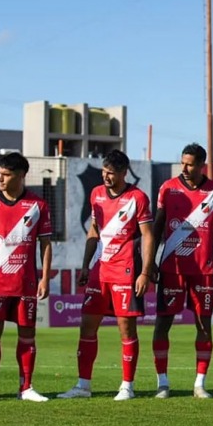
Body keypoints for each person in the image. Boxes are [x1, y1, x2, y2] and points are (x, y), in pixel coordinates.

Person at [57, 150, 154, 401]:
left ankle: (127, 386)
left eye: (111, 172)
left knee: (126, 328)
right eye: (104, 171)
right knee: (87, 326)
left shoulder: (138, 198)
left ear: (124, 173)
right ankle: (83, 386)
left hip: (126, 270)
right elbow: (94, 230)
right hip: (99, 271)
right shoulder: (96, 194)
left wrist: (144, 272)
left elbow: (148, 236)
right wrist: (85, 265)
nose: (106, 176)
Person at [0, 152, 53, 403]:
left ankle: (26, 387)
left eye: (6, 175)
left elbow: (46, 244)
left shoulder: (38, 205)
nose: (0, 179)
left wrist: (45, 277)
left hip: (25, 282)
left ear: (21, 175)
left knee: (27, 333)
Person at [151, 143, 213, 399]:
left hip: (203, 268)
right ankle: (162, 383)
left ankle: (199, 384)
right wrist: (150, 261)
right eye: (182, 162)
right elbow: (156, 226)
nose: (184, 167)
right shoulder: (168, 188)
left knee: (204, 324)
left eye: (190, 163)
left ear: (201, 164)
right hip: (172, 267)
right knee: (163, 323)